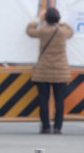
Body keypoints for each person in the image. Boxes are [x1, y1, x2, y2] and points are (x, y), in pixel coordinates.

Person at [26, 7, 73, 135]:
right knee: (59, 101)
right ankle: (58, 128)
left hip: (43, 71)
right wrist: (60, 22)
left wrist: (38, 19)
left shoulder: (43, 31)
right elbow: (71, 31)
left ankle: (45, 127)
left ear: (46, 18)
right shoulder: (63, 31)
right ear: (58, 18)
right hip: (61, 71)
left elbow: (29, 31)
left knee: (43, 100)